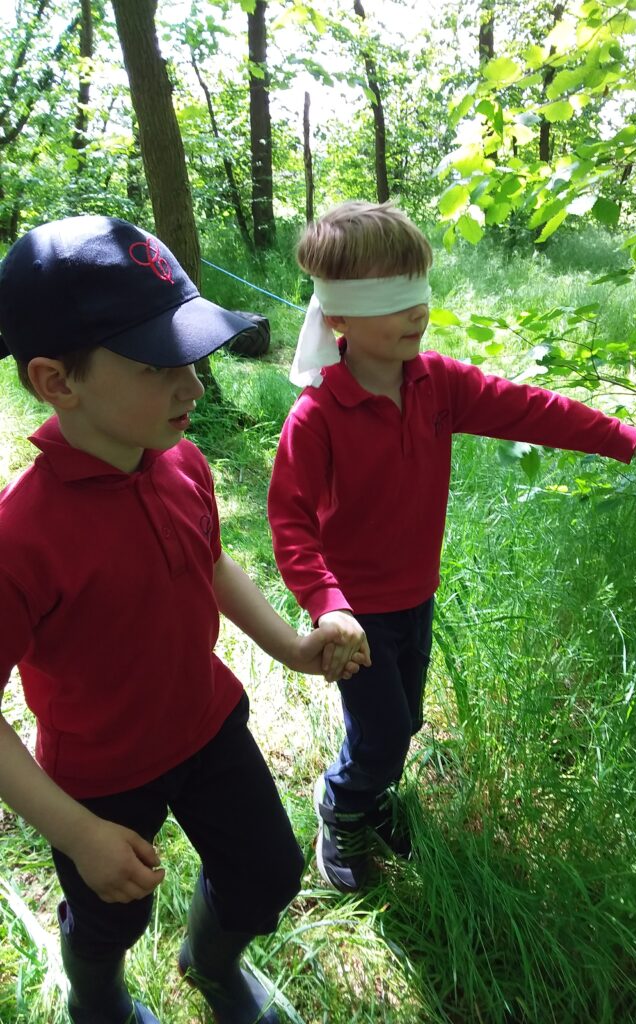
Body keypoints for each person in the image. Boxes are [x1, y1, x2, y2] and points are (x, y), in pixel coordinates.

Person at [0, 215, 367, 1024]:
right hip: (97, 779)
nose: (194, 387)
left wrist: (295, 648)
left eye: (193, 358)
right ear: (57, 381)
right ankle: (97, 998)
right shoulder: (20, 537)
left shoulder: (181, 460)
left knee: (266, 873)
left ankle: (212, 964)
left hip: (206, 727)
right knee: (110, 914)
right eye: (159, 364)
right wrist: (79, 832)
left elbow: (208, 563)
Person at [267, 200, 636, 895]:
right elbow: (291, 523)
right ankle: (343, 809)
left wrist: (626, 438)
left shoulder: (439, 383)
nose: (415, 312)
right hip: (354, 615)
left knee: (407, 719)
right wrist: (326, 604)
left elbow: (529, 407)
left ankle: (370, 791)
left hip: (415, 593)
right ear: (337, 316)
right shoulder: (317, 417)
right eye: (391, 298)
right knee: (384, 734)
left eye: (417, 291)